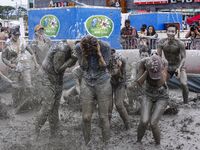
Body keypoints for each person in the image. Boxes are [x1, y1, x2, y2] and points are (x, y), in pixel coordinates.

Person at [35, 41, 77, 139]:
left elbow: (69, 64)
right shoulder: (62, 49)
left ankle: (54, 133)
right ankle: (35, 132)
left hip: (57, 79)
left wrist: (73, 60)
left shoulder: (70, 50)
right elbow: (58, 68)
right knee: (47, 107)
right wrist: (72, 60)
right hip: (46, 78)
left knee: (54, 108)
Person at [74, 35, 112, 145]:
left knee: (103, 117)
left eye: (92, 50)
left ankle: (106, 144)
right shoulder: (79, 47)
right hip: (87, 81)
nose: (90, 52)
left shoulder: (105, 46)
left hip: (103, 82)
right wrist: (85, 55)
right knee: (86, 117)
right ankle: (87, 144)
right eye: (87, 49)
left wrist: (99, 54)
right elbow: (83, 67)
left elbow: (105, 67)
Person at [134, 53, 169, 145]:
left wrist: (158, 71)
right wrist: (147, 70)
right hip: (148, 93)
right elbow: (139, 82)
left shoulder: (164, 63)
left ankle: (158, 145)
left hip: (162, 96)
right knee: (144, 120)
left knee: (153, 123)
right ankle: (138, 142)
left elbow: (161, 82)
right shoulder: (142, 63)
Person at [1, 27, 38, 110]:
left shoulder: (23, 41)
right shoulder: (8, 44)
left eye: (18, 35)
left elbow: (31, 51)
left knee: (28, 84)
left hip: (25, 65)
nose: (16, 37)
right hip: (14, 67)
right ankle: (16, 103)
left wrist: (35, 62)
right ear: (11, 34)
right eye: (15, 35)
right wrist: (10, 64)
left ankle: (29, 101)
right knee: (15, 86)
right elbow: (3, 57)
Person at [157, 24, 189, 104]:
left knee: (184, 84)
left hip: (178, 66)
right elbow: (159, 56)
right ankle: (163, 101)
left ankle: (186, 103)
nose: (171, 33)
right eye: (169, 31)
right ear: (166, 32)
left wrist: (179, 68)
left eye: (172, 31)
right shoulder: (161, 42)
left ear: (175, 32)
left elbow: (184, 57)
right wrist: (161, 68)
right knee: (160, 84)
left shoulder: (180, 43)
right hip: (167, 67)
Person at [108, 49, 130, 130]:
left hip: (120, 82)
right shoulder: (105, 59)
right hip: (109, 82)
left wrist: (119, 66)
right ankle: (107, 124)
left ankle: (127, 124)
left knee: (119, 104)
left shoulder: (121, 60)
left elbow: (117, 72)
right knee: (108, 105)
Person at [128, 45, 150, 114]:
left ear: (149, 56)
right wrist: (132, 79)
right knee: (129, 86)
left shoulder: (153, 65)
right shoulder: (135, 64)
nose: (144, 58)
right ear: (139, 56)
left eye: (146, 55)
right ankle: (131, 105)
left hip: (150, 91)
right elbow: (133, 75)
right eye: (142, 55)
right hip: (139, 90)